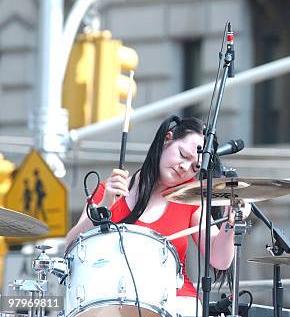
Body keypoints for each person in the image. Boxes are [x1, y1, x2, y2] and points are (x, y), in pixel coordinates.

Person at [66, 115, 248, 316]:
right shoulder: (109, 190)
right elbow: (70, 247)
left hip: (175, 301)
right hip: (110, 298)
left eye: (195, 167)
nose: (185, 167)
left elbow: (219, 259)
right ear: (167, 139)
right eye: (182, 155)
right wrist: (102, 207)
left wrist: (231, 223)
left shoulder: (191, 198)